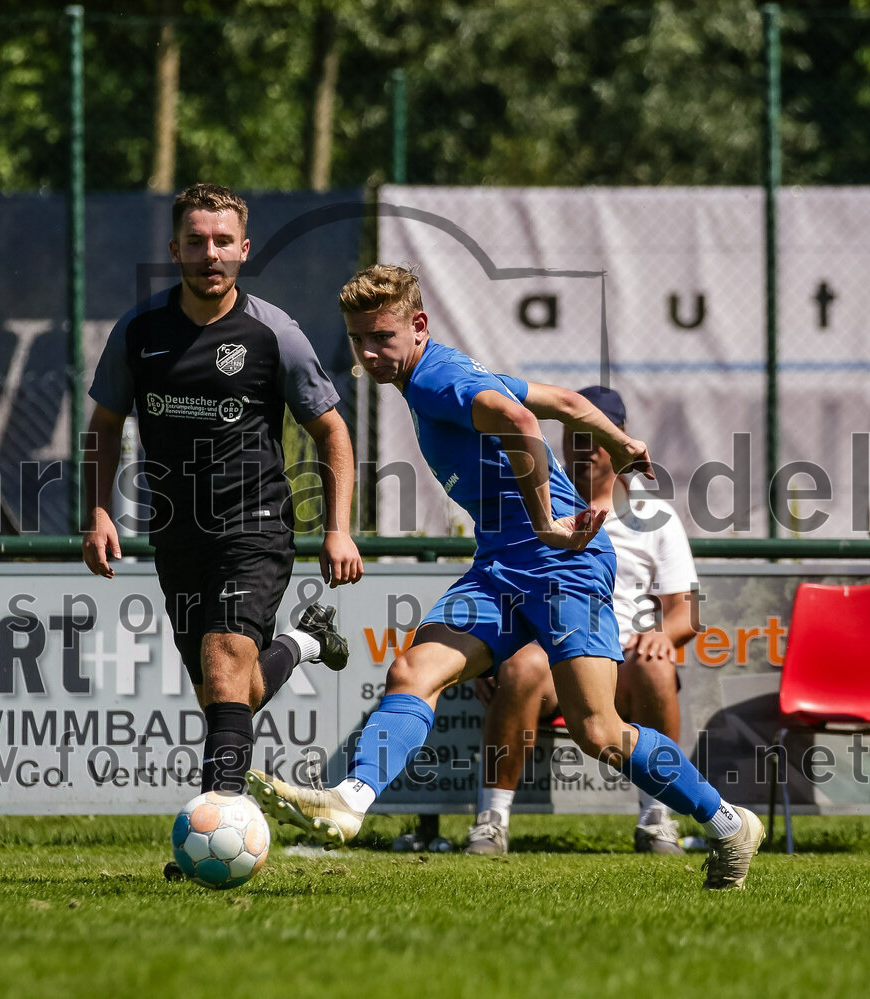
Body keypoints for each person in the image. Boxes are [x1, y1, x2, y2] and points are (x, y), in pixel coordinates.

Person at [247, 264, 764, 890]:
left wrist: (547, 521)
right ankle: (351, 799)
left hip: (561, 565)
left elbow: (523, 425)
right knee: (413, 670)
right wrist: (620, 441)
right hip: (500, 565)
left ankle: (730, 823)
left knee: (599, 730)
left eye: (382, 336)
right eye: (358, 340)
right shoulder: (453, 369)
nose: (370, 353)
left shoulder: (437, 380)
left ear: (418, 327)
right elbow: (569, 405)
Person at [82, 184, 364, 811]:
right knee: (227, 688)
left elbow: (332, 429)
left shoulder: (273, 333)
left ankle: (219, 820)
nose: (210, 253)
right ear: (174, 248)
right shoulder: (139, 331)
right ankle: (305, 643)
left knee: (224, 662)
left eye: (223, 242)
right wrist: (99, 512)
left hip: (255, 526)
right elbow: (103, 426)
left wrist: (338, 528)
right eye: (197, 241)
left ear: (244, 248)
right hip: (176, 533)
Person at [466, 385, 700, 856]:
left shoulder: (655, 517)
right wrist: (491, 653)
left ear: (619, 439)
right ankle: (491, 821)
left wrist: (661, 635)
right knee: (522, 666)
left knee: (657, 665)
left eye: (596, 433)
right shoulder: (532, 508)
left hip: (625, 657)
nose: (585, 445)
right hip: (552, 657)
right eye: (575, 433)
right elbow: (495, 587)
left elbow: (686, 614)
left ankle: (657, 818)